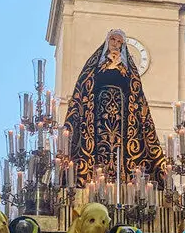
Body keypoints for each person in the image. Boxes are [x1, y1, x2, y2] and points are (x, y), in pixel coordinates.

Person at [62, 29, 167, 186]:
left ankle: (124, 182)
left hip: (122, 119)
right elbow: (85, 85)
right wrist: (107, 65)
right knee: (97, 150)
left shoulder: (128, 69)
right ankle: (95, 181)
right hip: (98, 117)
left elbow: (136, 91)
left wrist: (120, 68)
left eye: (119, 42)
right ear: (107, 41)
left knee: (121, 152)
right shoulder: (94, 65)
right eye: (113, 40)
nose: (116, 44)